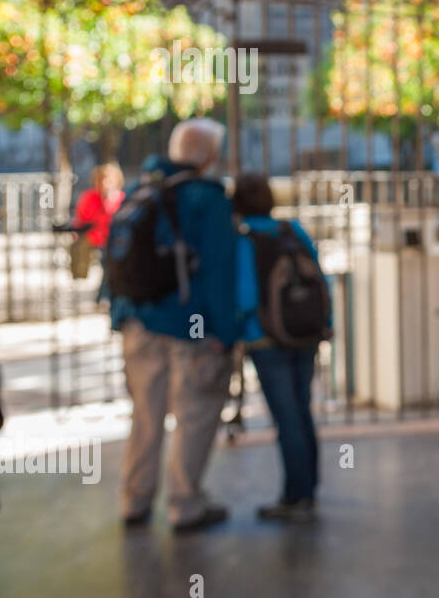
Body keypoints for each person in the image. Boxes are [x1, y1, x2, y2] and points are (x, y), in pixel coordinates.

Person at [110, 119, 237, 533]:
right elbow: (219, 273)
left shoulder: (138, 192)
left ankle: (135, 499)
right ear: (210, 156)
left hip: (139, 322)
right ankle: (185, 505)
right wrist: (225, 333)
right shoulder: (207, 199)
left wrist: (121, 316)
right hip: (192, 327)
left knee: (145, 415)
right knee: (195, 412)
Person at [233, 173, 324, 522]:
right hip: (304, 333)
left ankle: (295, 497)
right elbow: (319, 274)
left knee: (287, 418)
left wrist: (234, 332)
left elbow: (243, 296)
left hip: (266, 338)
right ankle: (308, 488)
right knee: (302, 410)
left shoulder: (244, 240)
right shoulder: (292, 230)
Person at [73, 163, 124, 299]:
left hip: (114, 240)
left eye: (109, 180)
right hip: (97, 239)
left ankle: (103, 296)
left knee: (109, 268)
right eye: (102, 180)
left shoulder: (120, 198)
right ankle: (104, 297)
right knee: (107, 266)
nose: (106, 184)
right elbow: (82, 218)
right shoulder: (89, 197)